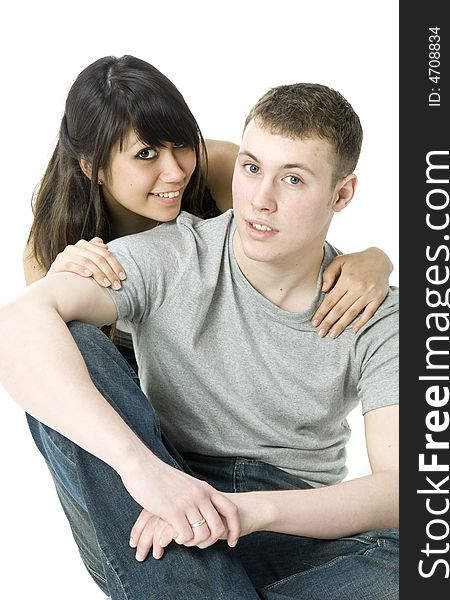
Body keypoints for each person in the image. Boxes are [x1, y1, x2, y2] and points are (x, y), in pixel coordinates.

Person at [0, 64, 398, 600]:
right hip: (156, 480)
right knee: (61, 341)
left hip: (288, 513)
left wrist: (375, 259)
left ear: (342, 195)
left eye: (293, 178)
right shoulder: (144, 257)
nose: (260, 197)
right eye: (254, 169)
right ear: (94, 169)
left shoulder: (374, 310)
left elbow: (408, 490)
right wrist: (146, 474)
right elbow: (17, 328)